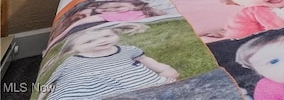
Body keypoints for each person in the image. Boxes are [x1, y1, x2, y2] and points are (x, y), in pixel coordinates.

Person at [37, 23, 178, 100]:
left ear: (116, 34)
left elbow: (144, 59)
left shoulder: (128, 50)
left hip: (139, 86)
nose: (102, 41)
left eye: (107, 35)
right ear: (73, 48)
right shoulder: (70, 62)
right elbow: (50, 83)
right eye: (89, 41)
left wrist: (163, 69)